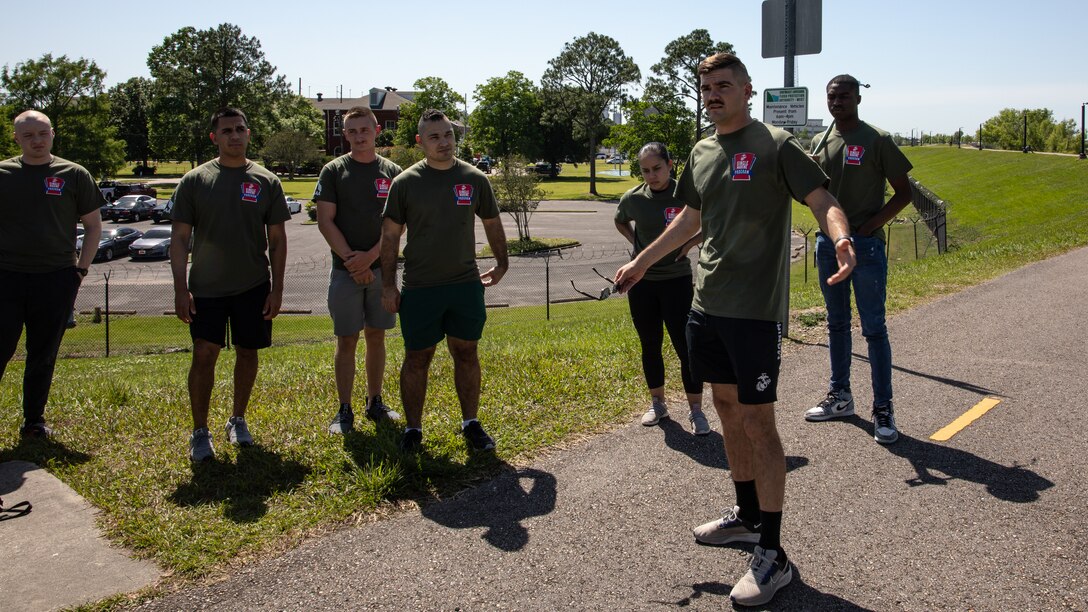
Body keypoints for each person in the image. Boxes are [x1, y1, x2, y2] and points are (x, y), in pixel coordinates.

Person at [614, 53, 856, 607]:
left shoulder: (775, 144)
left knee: (759, 422)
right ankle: (747, 516)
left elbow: (822, 200)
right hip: (707, 305)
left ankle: (774, 554)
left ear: (748, 90)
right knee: (724, 406)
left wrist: (839, 237)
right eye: (706, 86)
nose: (713, 93)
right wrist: (645, 261)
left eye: (724, 85)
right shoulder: (701, 150)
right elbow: (691, 221)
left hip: (754, 312)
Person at [380, 109, 509, 453]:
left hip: (465, 285)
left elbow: (493, 223)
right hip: (421, 287)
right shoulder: (405, 183)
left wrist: (502, 263)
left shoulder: (474, 178)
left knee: (466, 352)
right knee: (417, 357)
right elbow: (390, 237)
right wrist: (388, 285)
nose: (443, 142)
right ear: (420, 141)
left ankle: (471, 423)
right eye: (434, 137)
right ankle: (413, 430)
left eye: (448, 135)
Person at [169, 107, 290, 462]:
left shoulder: (266, 181)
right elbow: (179, 239)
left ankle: (238, 419)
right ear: (214, 137)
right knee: (204, 354)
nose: (234, 136)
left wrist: (277, 289)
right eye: (226, 131)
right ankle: (200, 431)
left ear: (249, 133)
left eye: (240, 129)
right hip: (205, 287)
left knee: (247, 352)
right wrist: (180, 287)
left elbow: (278, 240)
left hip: (252, 285)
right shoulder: (195, 180)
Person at [804, 74, 913, 445]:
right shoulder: (820, 141)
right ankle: (841, 397)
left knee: (873, 329)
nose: (837, 102)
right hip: (826, 246)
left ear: (858, 99)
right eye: (832, 97)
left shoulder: (876, 140)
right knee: (836, 324)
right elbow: (811, 192)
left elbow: (904, 193)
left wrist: (869, 227)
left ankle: (883, 408)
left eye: (845, 96)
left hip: (865, 249)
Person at [0, 110, 103, 438]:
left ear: (53, 134)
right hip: (6, 277)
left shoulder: (73, 174)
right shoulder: (3, 173)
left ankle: (34, 421)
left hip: (56, 277)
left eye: (42, 133)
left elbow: (93, 226)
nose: (36, 141)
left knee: (42, 354)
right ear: (16, 138)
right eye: (28, 135)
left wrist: (80, 271)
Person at [314, 107, 402, 434]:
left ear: (377, 130)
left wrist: (371, 258)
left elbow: (397, 225)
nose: (359, 136)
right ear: (345, 134)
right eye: (352, 131)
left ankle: (375, 401)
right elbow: (325, 221)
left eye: (364, 129)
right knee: (346, 339)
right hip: (344, 272)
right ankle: (344, 409)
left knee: (377, 336)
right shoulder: (334, 171)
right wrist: (354, 260)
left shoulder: (393, 172)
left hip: (382, 271)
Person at [614, 142, 707, 435]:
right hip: (642, 284)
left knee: (685, 346)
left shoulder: (686, 195)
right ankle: (658, 404)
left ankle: (696, 410)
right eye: (645, 170)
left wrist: (690, 243)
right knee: (650, 344)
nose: (652, 176)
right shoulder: (633, 198)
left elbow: (710, 222)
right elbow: (620, 220)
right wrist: (637, 247)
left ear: (670, 165)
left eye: (657, 168)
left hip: (677, 281)